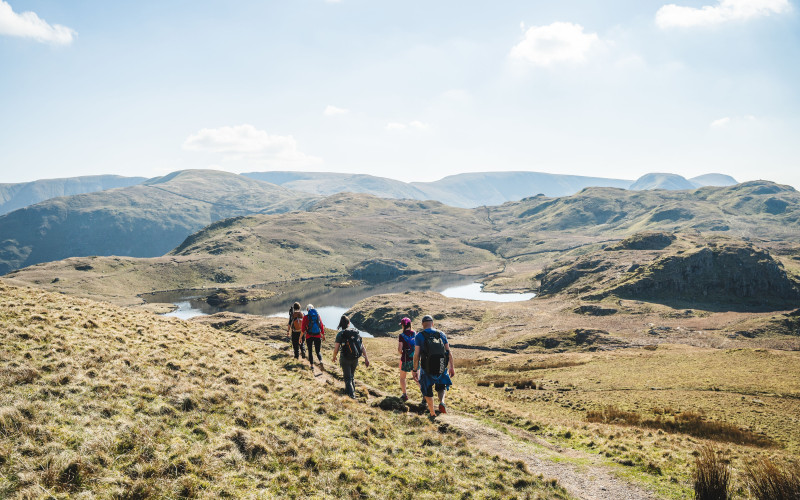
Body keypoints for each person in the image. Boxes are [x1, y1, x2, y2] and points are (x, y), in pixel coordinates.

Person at [413, 314, 455, 420]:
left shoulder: (419, 336)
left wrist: (414, 369)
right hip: (441, 366)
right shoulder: (441, 334)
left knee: (427, 390)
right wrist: (451, 367)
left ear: (423, 324)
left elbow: (416, 355)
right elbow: (449, 352)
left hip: (426, 369)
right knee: (441, 386)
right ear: (433, 323)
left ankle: (432, 412)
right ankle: (442, 402)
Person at [331, 315, 369, 398]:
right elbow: (362, 347)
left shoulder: (340, 334)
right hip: (355, 358)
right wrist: (366, 358)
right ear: (349, 323)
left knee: (347, 378)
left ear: (341, 324)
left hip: (345, 358)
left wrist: (334, 357)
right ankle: (351, 391)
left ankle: (351, 396)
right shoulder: (355, 333)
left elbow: (336, 349)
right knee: (351, 376)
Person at [397, 317, 417, 402]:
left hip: (405, 359)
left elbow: (399, 349)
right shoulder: (415, 333)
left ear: (403, 325)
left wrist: (403, 353)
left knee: (402, 378)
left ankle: (405, 395)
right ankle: (424, 395)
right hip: (415, 359)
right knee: (416, 378)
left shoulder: (402, 335)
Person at [301, 304, 325, 370]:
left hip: (309, 336)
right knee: (318, 351)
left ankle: (312, 366)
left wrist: (300, 338)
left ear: (307, 310)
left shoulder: (306, 317)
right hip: (317, 335)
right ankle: (321, 361)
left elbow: (303, 329)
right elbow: (321, 325)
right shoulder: (318, 316)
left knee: (310, 351)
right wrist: (323, 334)